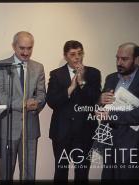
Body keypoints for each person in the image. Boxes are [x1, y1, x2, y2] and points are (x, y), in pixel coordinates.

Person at [96, 42, 139, 180]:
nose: (119, 62)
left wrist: (111, 115)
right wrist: (100, 100)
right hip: (109, 140)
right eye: (117, 58)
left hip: (133, 143)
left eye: (124, 59)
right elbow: (103, 105)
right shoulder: (111, 78)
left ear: (137, 60)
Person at [0, 31, 46, 180]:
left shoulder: (38, 67)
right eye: (22, 48)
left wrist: (36, 103)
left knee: (29, 173)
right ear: (14, 46)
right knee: (6, 173)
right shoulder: (1, 66)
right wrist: (22, 104)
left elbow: (41, 94)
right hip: (8, 127)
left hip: (30, 128)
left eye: (30, 48)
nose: (26, 52)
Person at [46, 40, 101, 183]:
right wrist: (70, 88)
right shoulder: (56, 74)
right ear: (65, 56)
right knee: (60, 172)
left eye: (80, 53)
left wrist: (82, 82)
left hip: (85, 132)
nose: (77, 57)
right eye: (72, 54)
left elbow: (96, 99)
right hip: (61, 132)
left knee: (82, 172)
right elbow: (51, 101)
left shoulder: (94, 73)